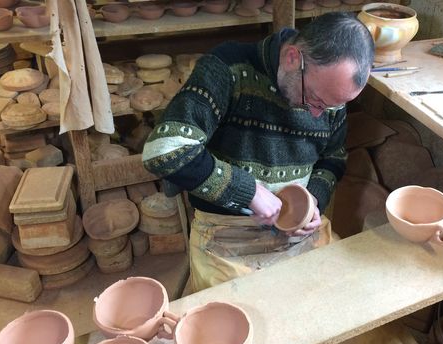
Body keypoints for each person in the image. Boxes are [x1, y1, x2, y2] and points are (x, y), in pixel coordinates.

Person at [142, 12, 375, 293]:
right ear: (292, 58)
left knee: (343, 301)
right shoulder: (226, 68)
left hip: (298, 232)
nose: (317, 113)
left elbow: (334, 156)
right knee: (243, 321)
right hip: (226, 231)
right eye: (313, 98)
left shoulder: (328, 94)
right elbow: (164, 151)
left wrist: (314, 199)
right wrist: (249, 192)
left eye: (330, 107)